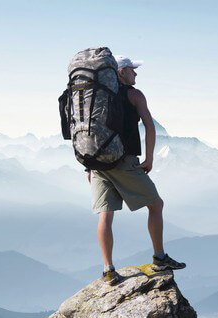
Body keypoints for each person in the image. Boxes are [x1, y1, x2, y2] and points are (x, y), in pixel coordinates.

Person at [86, 55, 185, 285]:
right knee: (156, 204)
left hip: (97, 163)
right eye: (131, 69)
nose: (135, 73)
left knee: (105, 214)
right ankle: (159, 258)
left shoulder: (96, 96)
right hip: (123, 160)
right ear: (121, 72)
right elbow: (150, 126)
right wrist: (149, 158)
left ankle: (108, 270)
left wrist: (88, 165)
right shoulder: (134, 95)